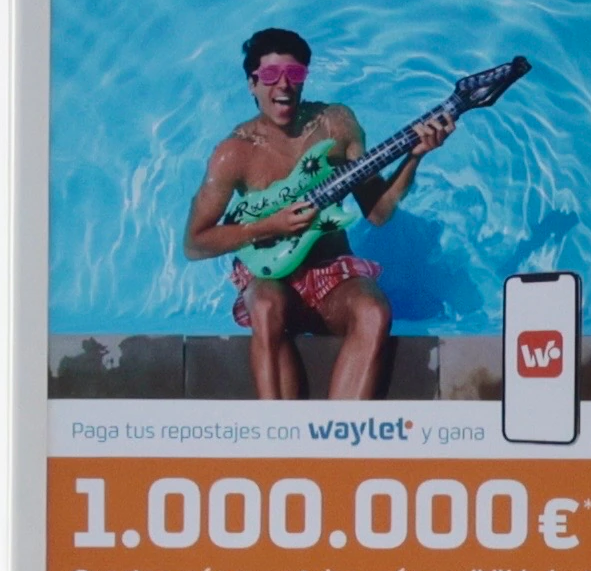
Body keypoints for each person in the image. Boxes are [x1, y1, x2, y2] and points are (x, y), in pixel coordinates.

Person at [179, 26, 450, 402]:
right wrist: (268, 226)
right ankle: (281, 441)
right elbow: (195, 243)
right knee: (266, 306)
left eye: (295, 74)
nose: (284, 86)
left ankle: (339, 445)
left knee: (373, 311)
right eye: (271, 76)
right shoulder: (234, 153)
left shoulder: (335, 125)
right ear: (252, 84)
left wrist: (415, 157)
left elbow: (378, 212)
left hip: (332, 274)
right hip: (272, 275)